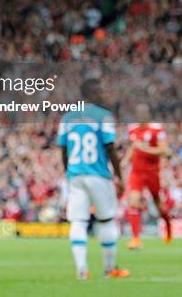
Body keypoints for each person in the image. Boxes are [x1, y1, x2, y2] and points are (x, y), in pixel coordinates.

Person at [57, 79, 129, 280]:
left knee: (78, 222)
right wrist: (119, 177)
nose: (103, 94)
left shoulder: (67, 118)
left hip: (75, 175)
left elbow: (63, 150)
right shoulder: (103, 116)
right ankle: (109, 269)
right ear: (91, 93)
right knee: (106, 220)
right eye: (100, 91)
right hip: (98, 175)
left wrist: (67, 172)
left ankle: (82, 270)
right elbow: (110, 147)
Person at [123, 102, 172, 249]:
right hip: (137, 172)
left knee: (158, 205)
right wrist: (125, 161)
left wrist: (146, 148)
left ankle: (167, 222)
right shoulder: (132, 128)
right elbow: (133, 147)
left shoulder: (157, 129)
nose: (141, 115)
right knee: (132, 201)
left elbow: (164, 150)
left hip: (152, 172)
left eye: (143, 112)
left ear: (148, 113)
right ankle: (136, 239)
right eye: (138, 112)